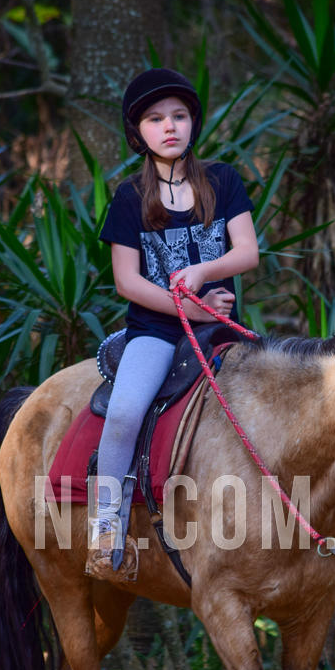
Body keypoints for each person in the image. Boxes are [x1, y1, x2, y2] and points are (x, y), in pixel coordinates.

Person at [86, 67, 259, 580]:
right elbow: (127, 282)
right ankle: (107, 528)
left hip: (221, 332)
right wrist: (192, 307)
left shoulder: (223, 180)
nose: (170, 127)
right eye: (156, 118)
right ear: (136, 131)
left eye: (180, 116)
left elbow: (247, 251)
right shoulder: (128, 197)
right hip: (157, 332)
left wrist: (205, 271)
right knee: (123, 414)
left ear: (193, 123)